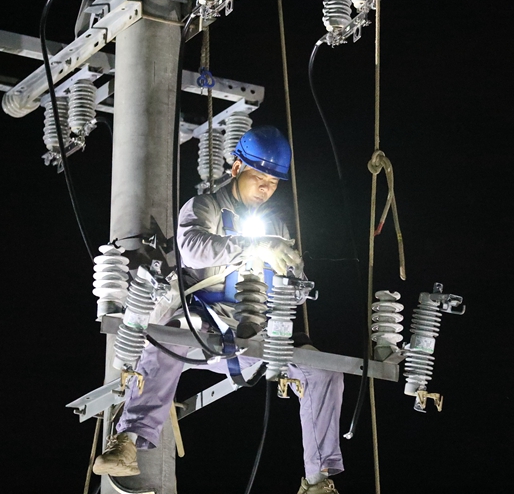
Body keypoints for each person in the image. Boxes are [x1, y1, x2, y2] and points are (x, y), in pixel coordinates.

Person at [93, 126, 344, 494]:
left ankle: (318, 479)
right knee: (168, 339)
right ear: (237, 168)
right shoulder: (204, 207)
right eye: (259, 177)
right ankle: (128, 439)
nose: (265, 188)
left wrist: (289, 271)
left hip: (254, 329)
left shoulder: (276, 225)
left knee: (324, 370)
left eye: (273, 182)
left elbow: (298, 292)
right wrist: (252, 247)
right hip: (203, 322)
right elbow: (193, 247)